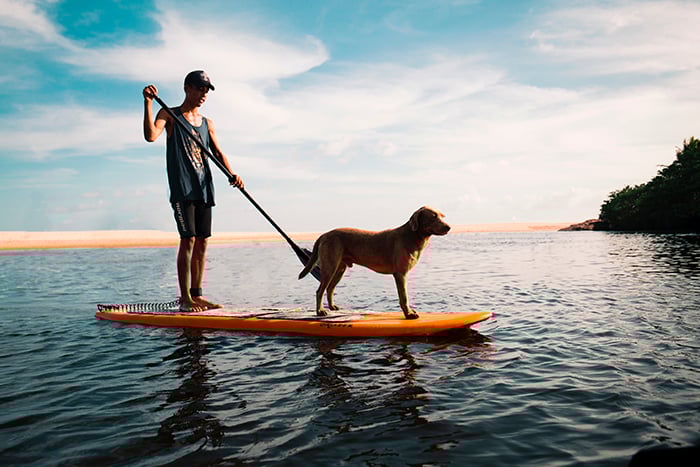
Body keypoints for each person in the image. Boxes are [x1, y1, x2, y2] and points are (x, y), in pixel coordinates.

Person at [142, 70, 244, 312]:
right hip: (183, 189)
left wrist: (233, 174)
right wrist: (147, 104)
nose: (204, 94)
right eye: (200, 89)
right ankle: (185, 298)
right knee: (187, 240)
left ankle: (197, 295)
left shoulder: (208, 123)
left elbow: (218, 152)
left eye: (207, 90)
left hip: (204, 187)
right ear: (188, 88)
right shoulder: (170, 114)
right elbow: (150, 136)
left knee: (202, 242)